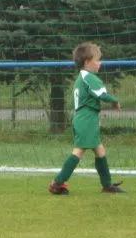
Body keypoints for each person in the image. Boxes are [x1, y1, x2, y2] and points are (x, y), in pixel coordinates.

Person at [49, 42, 125, 195]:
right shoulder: (89, 77)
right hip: (86, 119)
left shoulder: (82, 77)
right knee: (79, 151)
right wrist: (115, 101)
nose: (100, 63)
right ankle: (56, 183)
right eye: (97, 60)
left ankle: (107, 185)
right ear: (87, 62)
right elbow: (101, 94)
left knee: (99, 150)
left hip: (84, 118)